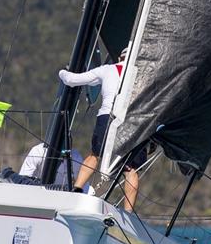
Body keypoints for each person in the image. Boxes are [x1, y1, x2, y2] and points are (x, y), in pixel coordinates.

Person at [57, 47, 144, 212]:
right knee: (131, 168)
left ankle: (76, 190)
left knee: (95, 155)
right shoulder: (143, 73)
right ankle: (129, 213)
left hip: (107, 116)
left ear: (119, 57)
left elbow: (71, 80)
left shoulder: (107, 70)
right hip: (133, 120)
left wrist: (62, 71)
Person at [19, 142, 85, 190]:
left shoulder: (76, 157)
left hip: (63, 197)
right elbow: (22, 181)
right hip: (37, 193)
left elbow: (83, 186)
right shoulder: (38, 152)